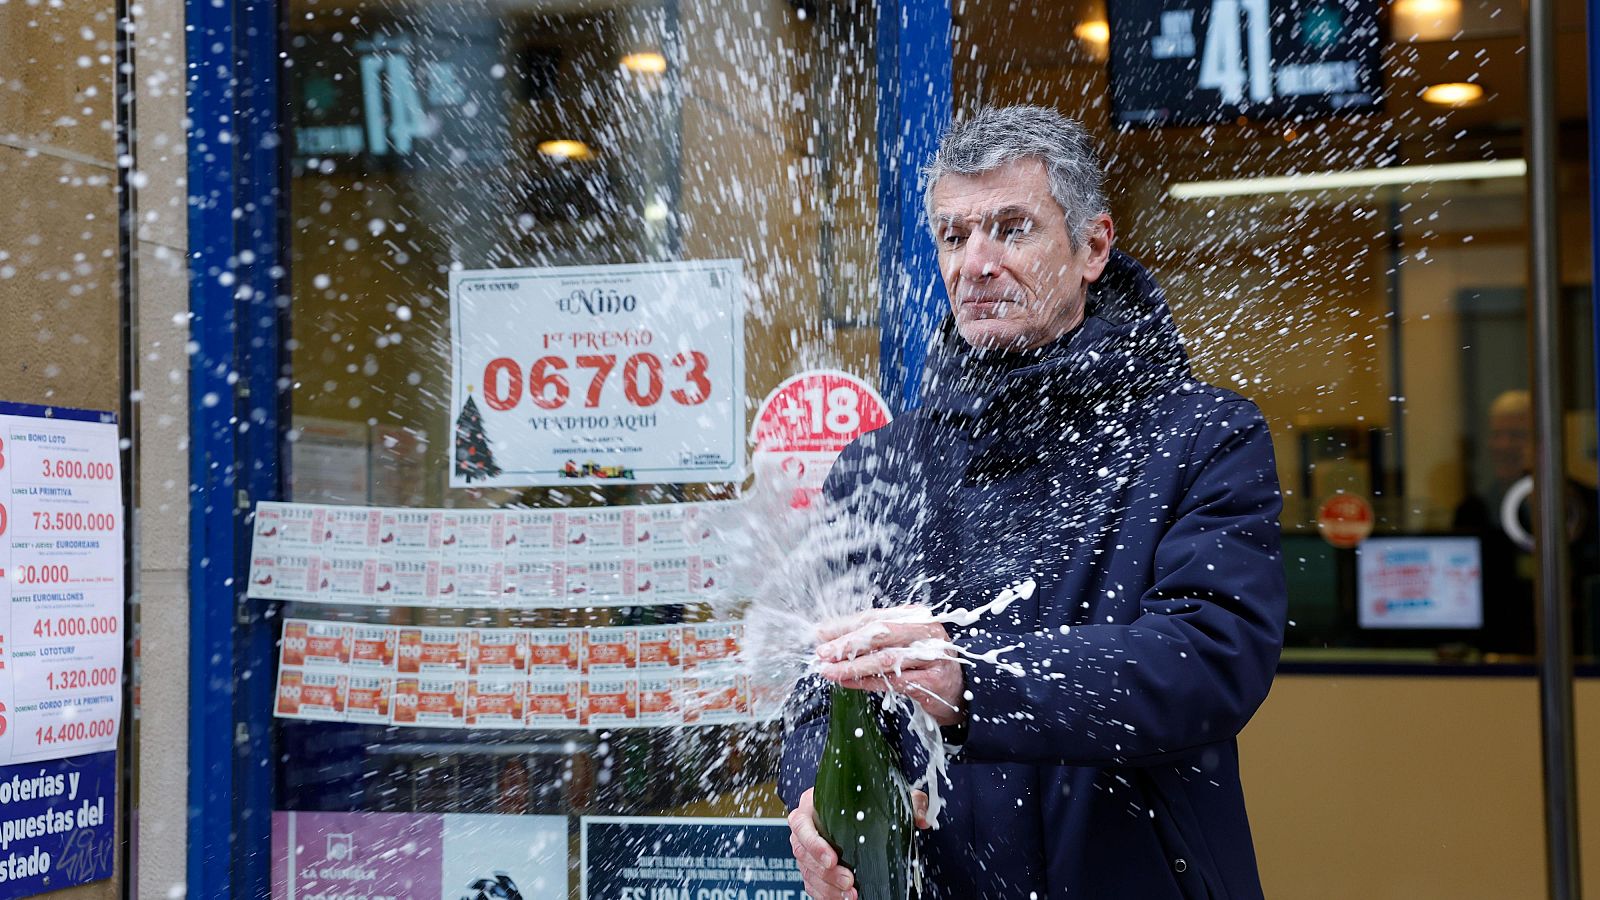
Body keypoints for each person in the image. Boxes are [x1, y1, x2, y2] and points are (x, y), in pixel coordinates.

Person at [779, 105, 1287, 899]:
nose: (974, 263)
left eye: (1010, 229)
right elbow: (819, 693)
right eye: (953, 235)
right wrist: (819, 802)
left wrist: (975, 680)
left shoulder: (1203, 437)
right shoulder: (878, 467)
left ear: (1093, 247)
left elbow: (1207, 661)